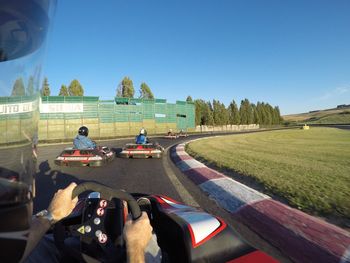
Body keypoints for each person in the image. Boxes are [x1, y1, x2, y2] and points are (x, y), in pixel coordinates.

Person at [0, 1, 157, 263]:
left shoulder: (75, 138)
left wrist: (50, 216)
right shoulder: (92, 140)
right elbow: (94, 145)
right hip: (90, 152)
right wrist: (136, 249)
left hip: (75, 154)